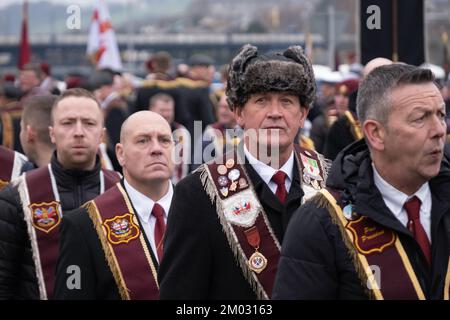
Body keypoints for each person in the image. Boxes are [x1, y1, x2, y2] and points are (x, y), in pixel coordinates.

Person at [158, 44, 329, 300]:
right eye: (261, 101)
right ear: (238, 113)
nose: (275, 113)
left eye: (287, 101)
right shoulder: (196, 194)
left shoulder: (332, 181)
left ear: (303, 114)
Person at [273, 63, 450, 300]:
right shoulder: (321, 223)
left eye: (441, 114)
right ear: (376, 133)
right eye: (420, 118)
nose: (439, 130)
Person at [0, 88, 120, 300]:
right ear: (52, 133)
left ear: (101, 135)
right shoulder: (17, 195)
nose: (79, 132)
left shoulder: (123, 191)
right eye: (68, 123)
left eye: (89, 123)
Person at [54, 111, 174, 299]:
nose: (156, 148)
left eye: (164, 140)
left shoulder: (203, 210)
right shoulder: (84, 224)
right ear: (120, 154)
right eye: (143, 141)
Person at [149, 93, 190, 184]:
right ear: (151, 110)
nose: (166, 114)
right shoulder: (140, 130)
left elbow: (180, 170)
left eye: (169, 110)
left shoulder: (180, 133)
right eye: (162, 110)